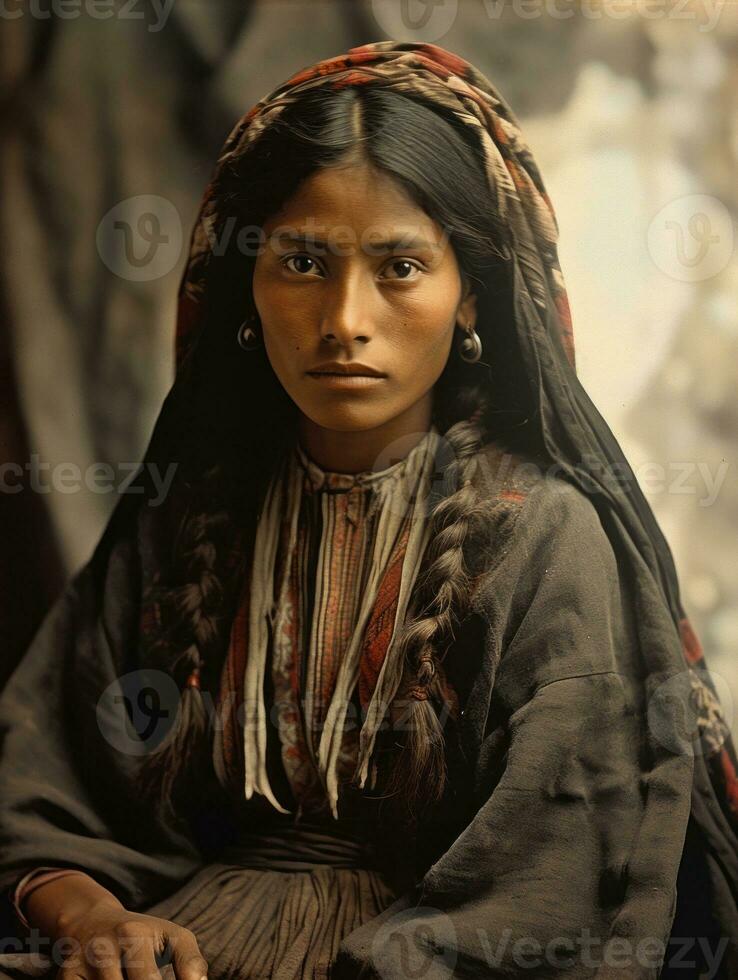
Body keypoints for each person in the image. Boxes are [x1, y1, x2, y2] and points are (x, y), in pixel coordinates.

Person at [0, 40, 736, 980]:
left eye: (399, 268)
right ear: (246, 285)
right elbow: (46, 785)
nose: (345, 317)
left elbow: (557, 879)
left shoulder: (545, 540)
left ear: (472, 295)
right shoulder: (185, 518)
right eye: (302, 262)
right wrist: (90, 917)